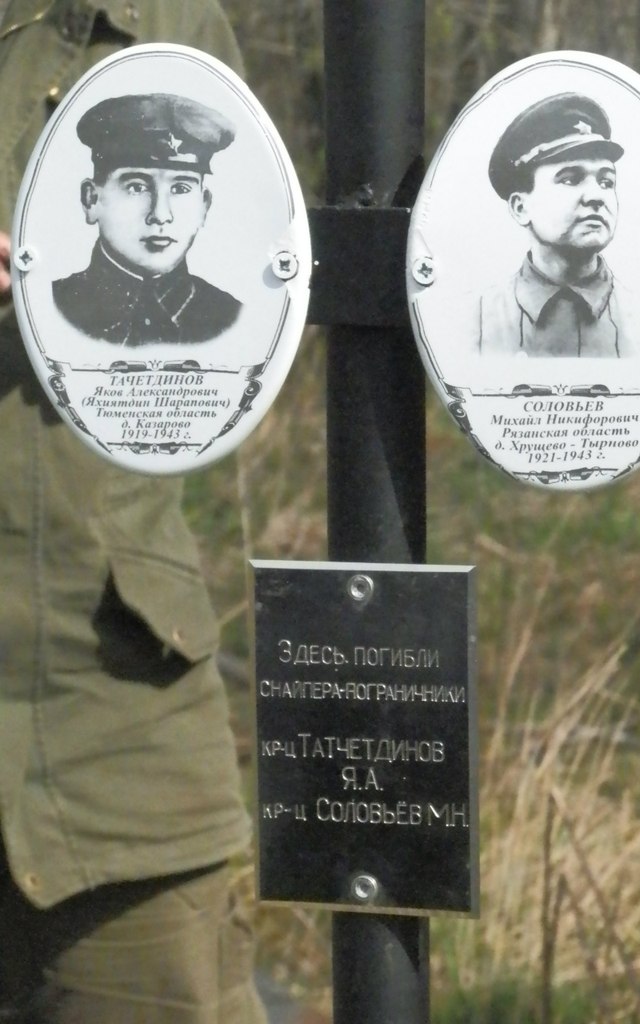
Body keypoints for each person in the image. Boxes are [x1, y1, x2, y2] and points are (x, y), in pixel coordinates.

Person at [0, 3, 266, 1022]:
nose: (160, 214)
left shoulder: (161, 27)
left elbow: (244, 332)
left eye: (176, 191)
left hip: (110, 725)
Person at [53, 93, 243, 346]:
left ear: (204, 206)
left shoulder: (231, 320)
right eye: (136, 187)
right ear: (91, 200)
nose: (160, 215)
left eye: (180, 188)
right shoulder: (50, 309)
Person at [477, 92, 640, 358]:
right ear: (521, 207)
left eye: (606, 182)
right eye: (570, 179)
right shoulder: (478, 321)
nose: (596, 196)